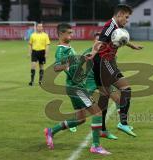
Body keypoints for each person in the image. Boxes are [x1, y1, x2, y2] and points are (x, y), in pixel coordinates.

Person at [44, 23, 111, 155]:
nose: (72, 35)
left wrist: (82, 59)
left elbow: (73, 65)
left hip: (74, 86)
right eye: (69, 33)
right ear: (61, 34)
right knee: (97, 112)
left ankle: (51, 131)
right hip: (76, 88)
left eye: (72, 33)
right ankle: (96, 146)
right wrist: (70, 62)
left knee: (80, 119)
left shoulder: (68, 48)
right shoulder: (61, 50)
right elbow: (57, 67)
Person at [87, 4, 143, 137]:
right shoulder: (110, 26)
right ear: (119, 15)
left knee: (104, 97)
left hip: (107, 62)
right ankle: (123, 123)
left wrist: (132, 46)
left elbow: (122, 39)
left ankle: (103, 130)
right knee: (126, 88)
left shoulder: (118, 26)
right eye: (126, 17)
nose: (127, 20)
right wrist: (93, 54)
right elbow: (99, 42)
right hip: (103, 62)